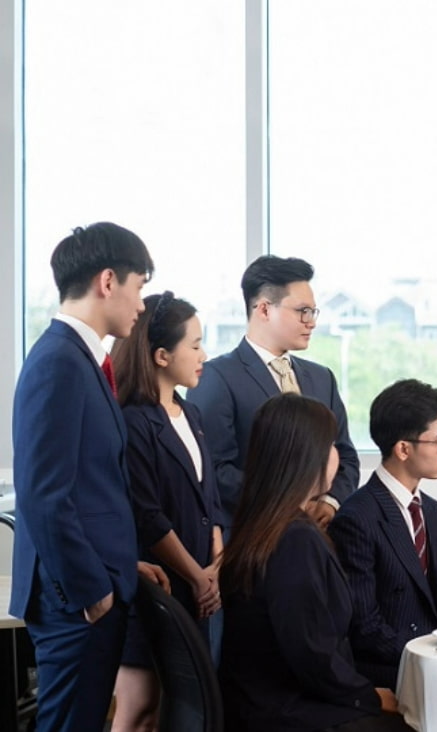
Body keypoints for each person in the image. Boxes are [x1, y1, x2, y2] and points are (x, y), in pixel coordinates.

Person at [9, 222, 163, 731]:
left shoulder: (82, 359)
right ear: (107, 281)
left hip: (95, 585)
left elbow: (91, 487)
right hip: (74, 599)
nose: (142, 305)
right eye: (139, 286)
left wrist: (123, 564)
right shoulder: (58, 362)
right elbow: (44, 495)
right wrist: (92, 590)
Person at [219, 393, 411, 731]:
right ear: (308, 456)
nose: (338, 456)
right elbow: (310, 652)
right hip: (288, 712)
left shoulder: (263, 524)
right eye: (332, 445)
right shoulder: (295, 538)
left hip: (263, 703)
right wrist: (368, 695)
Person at [109, 292, 225, 732]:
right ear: (161, 355)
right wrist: (197, 576)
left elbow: (208, 498)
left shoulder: (191, 413)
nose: (204, 356)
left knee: (173, 710)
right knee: (139, 707)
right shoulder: (134, 419)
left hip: (196, 584)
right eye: (194, 345)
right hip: (154, 587)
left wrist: (214, 563)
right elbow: (147, 513)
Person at [187, 254, 357, 528]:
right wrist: (292, 502)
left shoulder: (321, 378)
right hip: (252, 537)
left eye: (313, 311)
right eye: (302, 311)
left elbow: (346, 455)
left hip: (318, 537)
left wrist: (330, 501)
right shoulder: (215, 377)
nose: (311, 321)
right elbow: (215, 471)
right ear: (264, 310)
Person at [329, 379, 437, 687]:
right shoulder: (357, 517)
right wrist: (429, 657)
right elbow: (364, 624)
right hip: (392, 668)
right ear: (404, 449)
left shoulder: (432, 512)